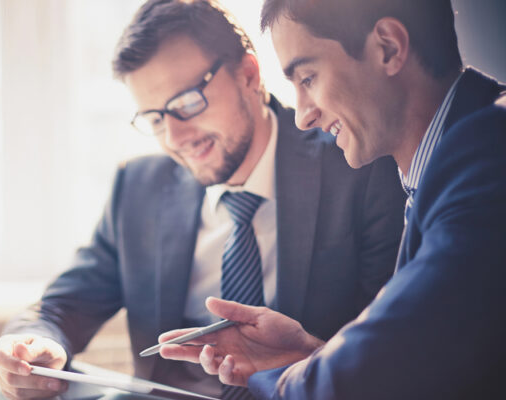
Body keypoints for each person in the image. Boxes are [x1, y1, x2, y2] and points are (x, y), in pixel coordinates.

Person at [0, 0, 405, 398]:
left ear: (248, 74)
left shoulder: (357, 166)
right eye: (154, 118)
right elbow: (61, 306)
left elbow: (389, 353)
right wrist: (30, 345)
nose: (175, 138)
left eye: (187, 103)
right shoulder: (138, 188)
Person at [156, 0, 506, 398]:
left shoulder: (490, 152)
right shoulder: (445, 162)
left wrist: (292, 378)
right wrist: (310, 356)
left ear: (388, 48)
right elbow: (426, 362)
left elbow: (384, 363)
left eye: (307, 78)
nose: (303, 116)